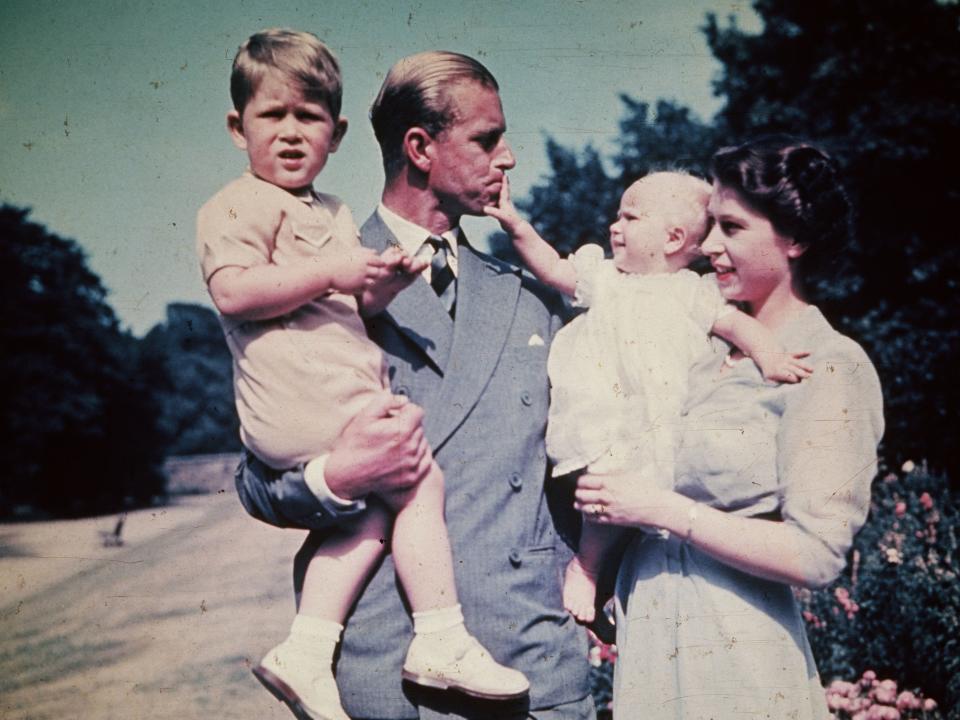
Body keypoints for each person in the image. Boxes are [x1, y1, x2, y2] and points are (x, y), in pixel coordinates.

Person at [237, 50, 595, 720]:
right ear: (420, 147)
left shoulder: (528, 297)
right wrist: (338, 476)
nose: (509, 158)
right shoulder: (310, 282)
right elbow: (257, 480)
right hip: (383, 679)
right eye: (487, 139)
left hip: (526, 669)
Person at [572, 137, 885, 718]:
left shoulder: (828, 364)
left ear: (794, 239)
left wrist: (663, 510)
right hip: (649, 651)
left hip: (740, 666)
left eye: (732, 229)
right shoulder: (696, 350)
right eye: (710, 226)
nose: (708, 245)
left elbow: (815, 555)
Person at [485, 170, 813, 625]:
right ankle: (588, 565)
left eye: (630, 217)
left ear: (674, 237)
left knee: (650, 498)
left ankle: (619, 585)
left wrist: (771, 355)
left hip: (661, 415)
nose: (614, 226)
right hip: (607, 409)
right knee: (608, 487)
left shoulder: (692, 293)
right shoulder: (607, 279)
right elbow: (554, 269)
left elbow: (738, 325)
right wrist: (516, 226)